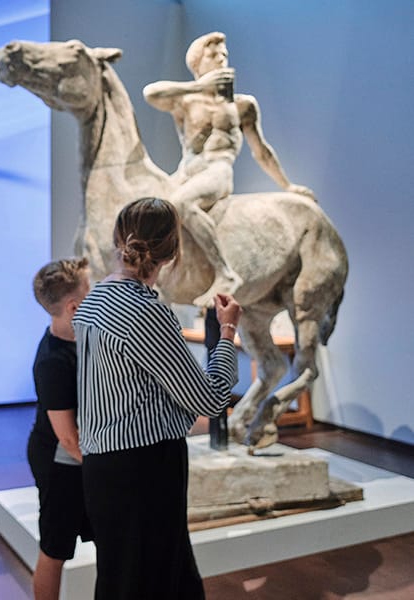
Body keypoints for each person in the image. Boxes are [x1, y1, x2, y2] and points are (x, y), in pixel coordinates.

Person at [73, 197, 241, 599]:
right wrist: (228, 333)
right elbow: (211, 399)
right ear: (173, 251)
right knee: (157, 578)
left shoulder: (92, 302)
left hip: (101, 465)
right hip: (145, 465)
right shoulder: (146, 311)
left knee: (123, 575)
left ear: (118, 239)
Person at [142, 31, 314, 305]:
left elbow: (262, 151)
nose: (221, 58)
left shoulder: (242, 105)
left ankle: (225, 272)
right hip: (186, 171)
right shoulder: (186, 100)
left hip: (217, 169)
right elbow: (150, 93)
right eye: (213, 55)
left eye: (224, 54)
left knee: (180, 204)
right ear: (198, 63)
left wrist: (287, 186)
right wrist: (199, 87)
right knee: (146, 212)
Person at [27, 257, 94, 600]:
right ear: (73, 305)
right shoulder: (54, 360)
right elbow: (68, 438)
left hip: (76, 460)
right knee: (55, 550)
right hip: (60, 464)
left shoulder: (80, 338)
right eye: (89, 289)